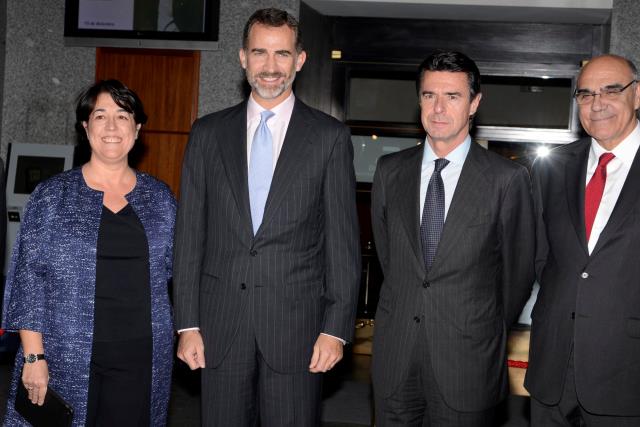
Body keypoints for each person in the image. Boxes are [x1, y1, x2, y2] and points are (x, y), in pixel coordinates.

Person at [172, 7, 360, 427]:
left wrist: (335, 329)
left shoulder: (329, 138)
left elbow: (342, 244)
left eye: (282, 53)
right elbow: (189, 238)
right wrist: (187, 324)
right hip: (219, 327)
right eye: (260, 52)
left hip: (297, 330)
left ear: (300, 59)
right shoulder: (207, 134)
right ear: (243, 57)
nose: (270, 66)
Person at [370, 51, 535, 426]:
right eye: (429, 95)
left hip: (468, 361)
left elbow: (518, 275)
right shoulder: (390, 171)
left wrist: (479, 325)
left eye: (453, 96)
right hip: (396, 355)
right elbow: (390, 258)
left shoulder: (506, 179)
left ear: (474, 103)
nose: (439, 108)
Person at [1, 79, 176, 426]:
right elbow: (28, 279)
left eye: (122, 116)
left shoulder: (160, 198)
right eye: (100, 116)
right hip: (65, 355)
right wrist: (34, 357)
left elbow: (177, 273)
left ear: (137, 129)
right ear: (85, 126)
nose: (111, 126)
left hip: (141, 357)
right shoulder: (52, 196)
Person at [526, 54, 640, 426]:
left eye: (611, 91)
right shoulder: (552, 168)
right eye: (586, 94)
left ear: (637, 94)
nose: (597, 104)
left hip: (628, 371)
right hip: (553, 367)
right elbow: (541, 258)